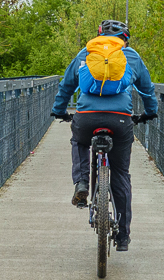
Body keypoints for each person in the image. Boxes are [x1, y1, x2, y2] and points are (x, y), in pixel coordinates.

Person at [49, 19, 157, 251]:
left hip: (87, 117)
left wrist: (59, 110)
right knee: (120, 173)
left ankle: (81, 182)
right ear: (125, 38)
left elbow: (66, 86)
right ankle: (123, 236)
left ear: (98, 35)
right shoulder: (131, 56)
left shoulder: (85, 53)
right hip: (120, 119)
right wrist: (150, 112)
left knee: (79, 140)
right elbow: (147, 90)